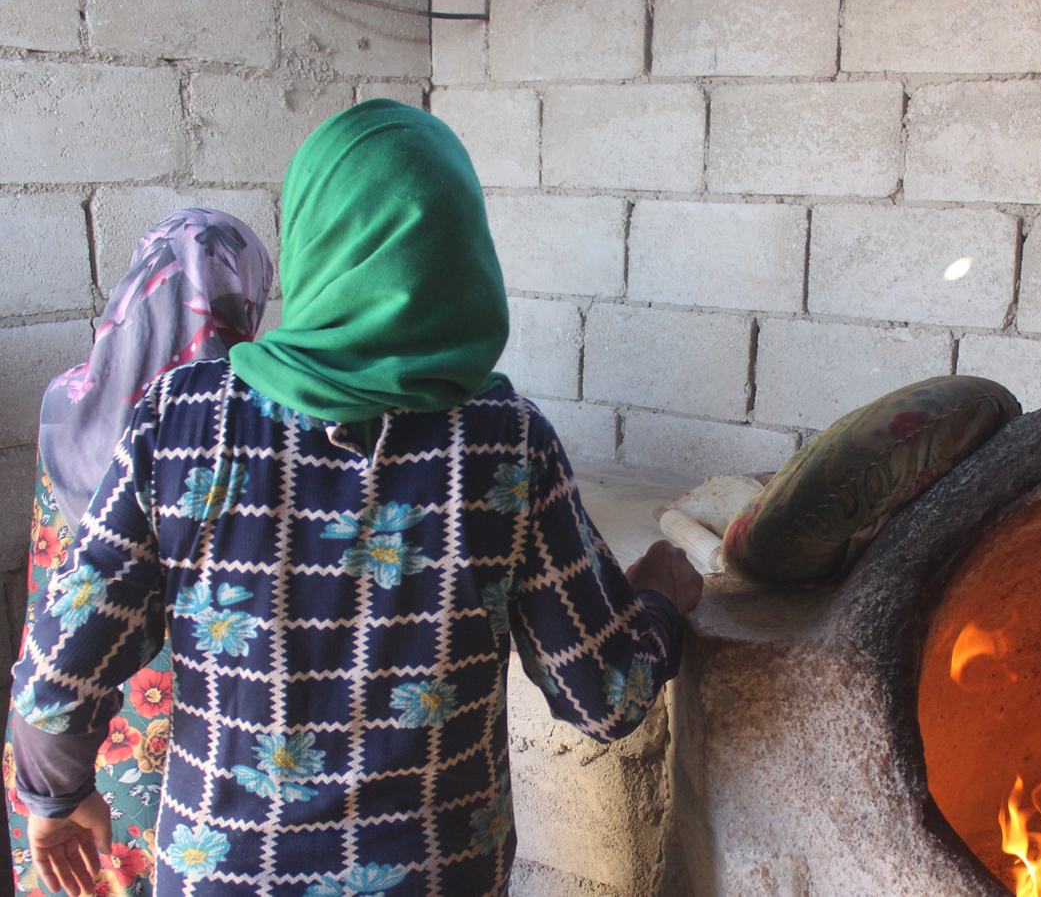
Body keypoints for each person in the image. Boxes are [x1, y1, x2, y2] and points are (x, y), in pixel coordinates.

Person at [9, 99, 702, 897]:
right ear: (460, 250)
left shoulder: (183, 420)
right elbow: (605, 696)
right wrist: (659, 599)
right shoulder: (505, 445)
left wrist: (55, 798)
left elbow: (63, 663)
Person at [5, 208, 274, 897]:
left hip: (57, 704)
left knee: (76, 867)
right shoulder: (235, 423)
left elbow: (52, 560)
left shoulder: (65, 399)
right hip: (180, 711)